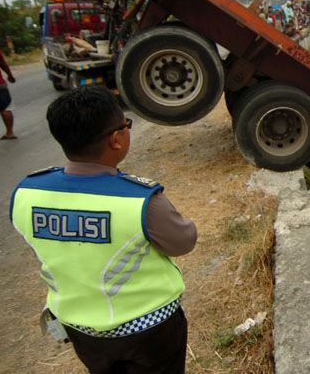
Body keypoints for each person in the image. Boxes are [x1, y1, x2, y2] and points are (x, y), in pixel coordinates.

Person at [10, 86, 197, 373]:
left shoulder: (26, 193)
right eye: (126, 125)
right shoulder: (140, 201)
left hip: (82, 330)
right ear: (116, 140)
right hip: (150, 327)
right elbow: (184, 242)